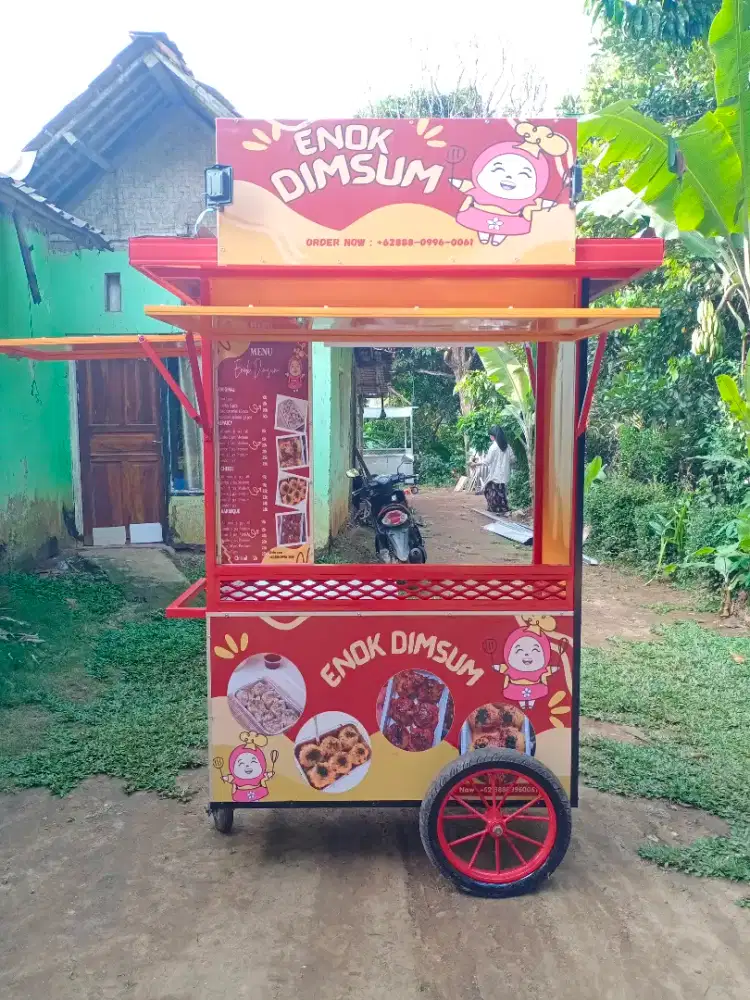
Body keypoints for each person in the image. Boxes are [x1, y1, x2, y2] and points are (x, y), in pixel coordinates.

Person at [484, 426, 512, 514]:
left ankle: (495, 508)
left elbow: (487, 461)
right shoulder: (507, 446)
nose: (490, 437)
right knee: (502, 492)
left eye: (490, 435)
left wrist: (477, 463)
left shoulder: (493, 448)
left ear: (493, 436)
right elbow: (513, 459)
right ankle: (503, 508)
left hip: (495, 475)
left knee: (489, 490)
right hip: (504, 475)